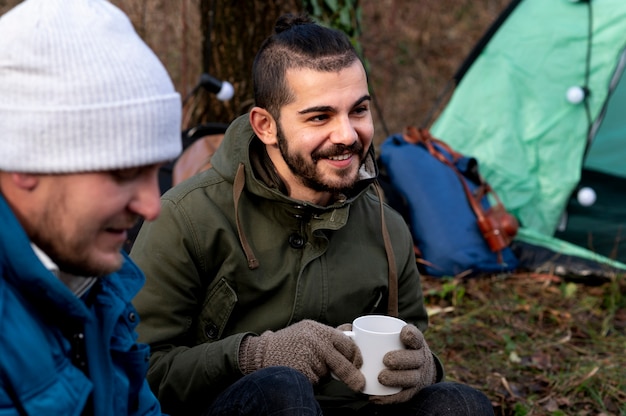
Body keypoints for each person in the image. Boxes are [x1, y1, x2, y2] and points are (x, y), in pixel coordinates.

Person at [130, 13, 495, 416]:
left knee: (460, 404)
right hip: (242, 405)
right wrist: (252, 356)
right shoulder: (186, 217)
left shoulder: (387, 226)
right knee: (281, 391)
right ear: (266, 126)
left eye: (358, 111)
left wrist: (424, 367)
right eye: (320, 117)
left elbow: (411, 340)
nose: (347, 135)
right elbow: (138, 372)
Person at [0, 0, 185, 414]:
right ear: (26, 164)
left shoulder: (93, 277)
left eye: (156, 171)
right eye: (122, 173)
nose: (152, 206)